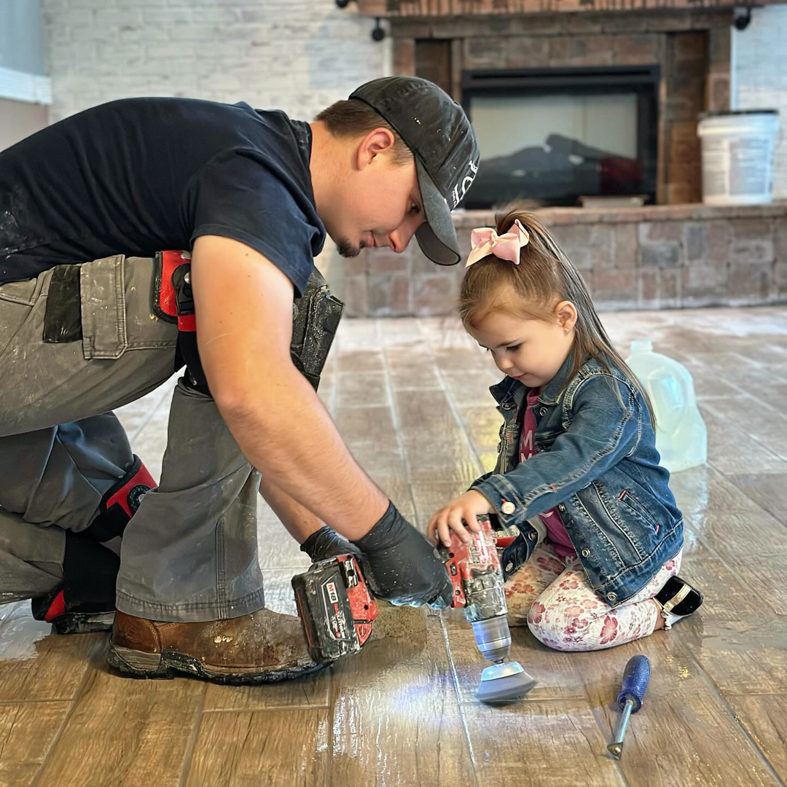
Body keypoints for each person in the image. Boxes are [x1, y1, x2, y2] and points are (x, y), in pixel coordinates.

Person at [0, 76, 480, 683]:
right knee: (247, 311)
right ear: (375, 146)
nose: (400, 239)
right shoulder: (257, 182)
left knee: (129, 554)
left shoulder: (252, 154)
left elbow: (260, 416)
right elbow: (251, 392)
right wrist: (385, 533)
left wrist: (328, 541)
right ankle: (186, 613)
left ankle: (117, 562)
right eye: (413, 207)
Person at [427, 208, 703, 652]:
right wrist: (474, 507)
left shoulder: (605, 393)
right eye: (490, 350)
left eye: (512, 346)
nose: (502, 363)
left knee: (555, 626)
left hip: (627, 547)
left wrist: (494, 497)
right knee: (491, 601)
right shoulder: (525, 390)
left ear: (564, 318)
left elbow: (567, 463)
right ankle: (581, 586)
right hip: (569, 542)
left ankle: (664, 603)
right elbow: (521, 466)